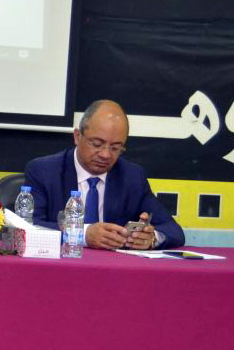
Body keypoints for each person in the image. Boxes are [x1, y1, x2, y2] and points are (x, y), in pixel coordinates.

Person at [24, 99, 184, 250]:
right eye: (97, 144)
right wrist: (83, 235)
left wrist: (151, 238)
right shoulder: (44, 171)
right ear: (77, 136)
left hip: (112, 267)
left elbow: (173, 231)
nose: (106, 155)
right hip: (62, 264)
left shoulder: (133, 177)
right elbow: (27, 227)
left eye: (115, 148)